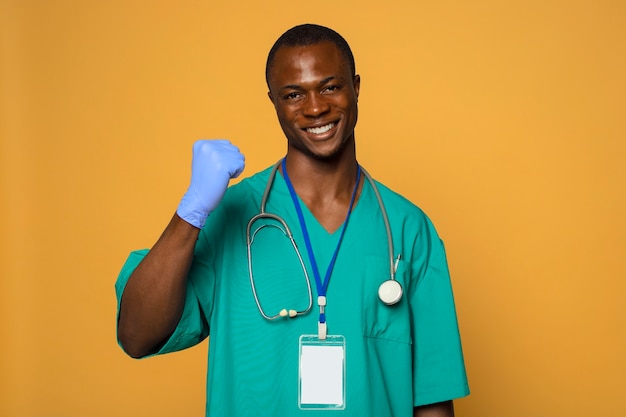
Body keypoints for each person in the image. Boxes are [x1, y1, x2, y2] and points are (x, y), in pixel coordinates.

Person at [116, 23, 469, 416]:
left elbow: (433, 400)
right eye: (294, 94)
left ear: (356, 87)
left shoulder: (407, 229)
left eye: (330, 87)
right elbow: (136, 335)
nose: (316, 107)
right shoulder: (231, 215)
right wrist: (192, 211)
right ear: (274, 102)